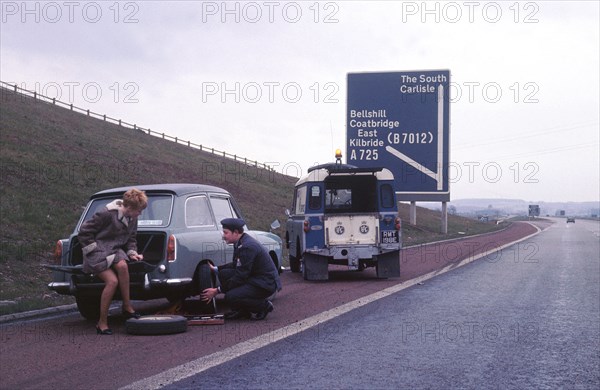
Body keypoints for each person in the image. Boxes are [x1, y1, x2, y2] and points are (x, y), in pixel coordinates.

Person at [78, 188, 148, 335]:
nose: (139, 214)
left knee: (123, 266)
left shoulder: (132, 218)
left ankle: (127, 307)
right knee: (112, 282)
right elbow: (84, 231)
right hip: (97, 252)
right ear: (129, 207)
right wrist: (94, 250)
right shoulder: (107, 213)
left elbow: (132, 238)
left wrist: (132, 252)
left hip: (115, 251)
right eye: (139, 211)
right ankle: (102, 322)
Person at [201, 218, 282, 320]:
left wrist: (217, 290)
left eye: (226, 233)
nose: (223, 236)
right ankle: (242, 311)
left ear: (235, 232)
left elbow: (241, 276)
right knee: (223, 274)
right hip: (255, 278)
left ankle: (264, 306)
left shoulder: (247, 246)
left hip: (265, 283)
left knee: (230, 297)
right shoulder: (241, 242)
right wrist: (216, 269)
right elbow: (237, 264)